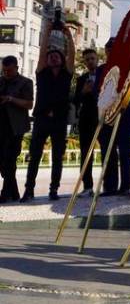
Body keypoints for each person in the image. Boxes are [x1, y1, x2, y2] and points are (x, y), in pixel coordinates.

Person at [23, 25, 74, 202]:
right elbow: (42, 50)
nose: (53, 56)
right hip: (41, 119)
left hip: (59, 120)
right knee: (35, 155)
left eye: (56, 55)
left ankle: (54, 189)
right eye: (50, 56)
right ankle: (29, 190)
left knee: (57, 157)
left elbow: (72, 55)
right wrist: (47, 32)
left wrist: (68, 34)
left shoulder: (67, 75)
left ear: (61, 59)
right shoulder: (41, 73)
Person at [97, 38, 130, 196]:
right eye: (108, 50)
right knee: (108, 152)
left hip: (125, 116)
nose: (110, 53)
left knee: (125, 152)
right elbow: (96, 92)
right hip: (106, 117)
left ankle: (125, 186)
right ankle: (109, 186)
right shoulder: (101, 70)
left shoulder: (129, 69)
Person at [0, 56, 33, 202]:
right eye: (4, 70)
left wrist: (11, 99)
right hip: (1, 126)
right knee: (4, 163)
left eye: (9, 71)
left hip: (15, 128)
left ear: (16, 68)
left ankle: (5, 194)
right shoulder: (0, 81)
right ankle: (14, 193)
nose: (6, 73)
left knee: (9, 160)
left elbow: (29, 104)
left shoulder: (25, 82)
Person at [72, 48, 102, 196]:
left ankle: (109, 185)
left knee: (107, 152)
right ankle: (87, 186)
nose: (90, 61)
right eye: (87, 59)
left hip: (103, 118)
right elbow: (75, 100)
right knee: (86, 153)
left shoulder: (104, 76)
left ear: (97, 59)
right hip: (86, 120)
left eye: (92, 58)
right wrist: (83, 92)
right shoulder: (81, 79)